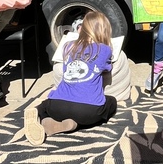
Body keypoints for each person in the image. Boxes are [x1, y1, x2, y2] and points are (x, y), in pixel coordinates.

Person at [23, 10, 117, 145]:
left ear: (82, 28)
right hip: (88, 110)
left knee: (46, 104)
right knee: (111, 102)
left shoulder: (68, 46)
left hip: (57, 106)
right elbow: (107, 69)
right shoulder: (105, 49)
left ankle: (39, 113)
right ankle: (76, 124)